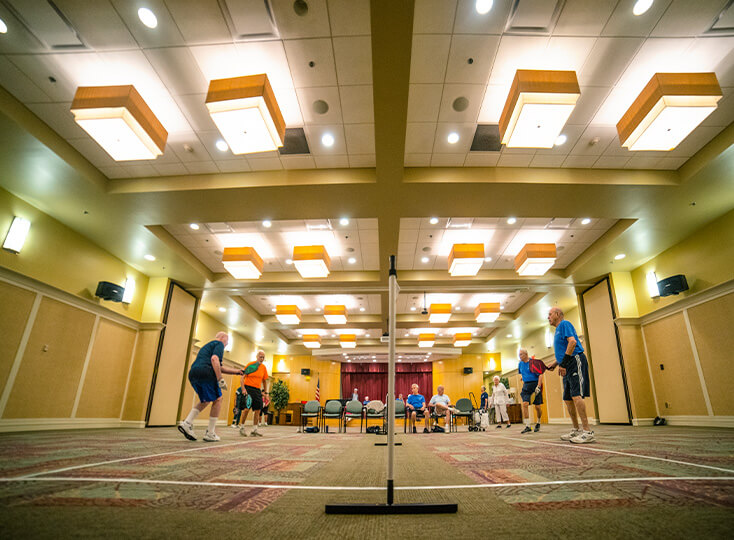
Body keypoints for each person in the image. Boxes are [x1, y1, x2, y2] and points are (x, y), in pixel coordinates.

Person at [178, 332, 243, 442]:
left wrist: (237, 371)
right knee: (218, 399)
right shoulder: (219, 344)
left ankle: (187, 423)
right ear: (223, 338)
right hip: (206, 372)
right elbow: (214, 360)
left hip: (194, 373)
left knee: (206, 399)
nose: (226, 345)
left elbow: (219, 366)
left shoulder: (207, 346)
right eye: (227, 342)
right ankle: (210, 433)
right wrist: (220, 379)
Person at [548, 307, 594, 444]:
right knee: (568, 398)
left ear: (558, 314)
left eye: (550, 314)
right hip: (566, 364)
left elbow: (573, 342)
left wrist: (563, 363)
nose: (548, 317)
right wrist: (556, 363)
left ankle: (587, 431)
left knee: (576, 395)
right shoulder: (557, 331)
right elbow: (564, 349)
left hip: (575, 360)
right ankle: (576, 429)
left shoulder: (564, 324)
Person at [238, 350, 270, 437]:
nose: (262, 359)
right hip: (248, 388)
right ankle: (242, 427)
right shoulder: (250, 365)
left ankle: (255, 430)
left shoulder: (263, 368)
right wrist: (243, 389)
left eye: (263, 357)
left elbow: (264, 381)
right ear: (257, 356)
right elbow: (242, 378)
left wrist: (266, 393)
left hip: (257, 390)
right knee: (246, 408)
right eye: (260, 357)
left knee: (258, 409)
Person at [518, 348, 543, 434]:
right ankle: (528, 426)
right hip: (526, 386)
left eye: (521, 354)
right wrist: (524, 378)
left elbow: (540, 375)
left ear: (526, 354)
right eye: (519, 354)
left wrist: (538, 386)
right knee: (525, 404)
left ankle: (538, 422)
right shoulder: (520, 364)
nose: (519, 356)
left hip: (535, 384)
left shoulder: (534, 363)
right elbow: (522, 373)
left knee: (537, 407)